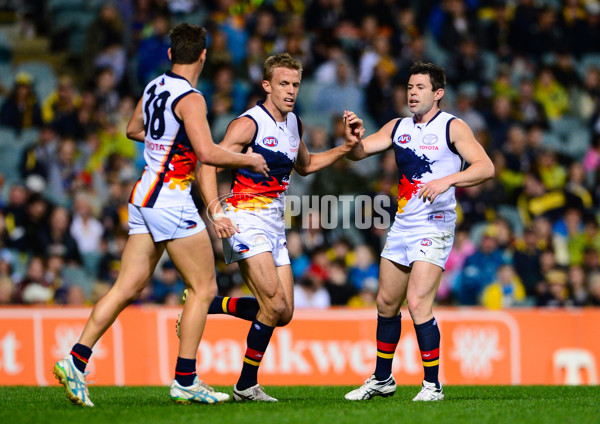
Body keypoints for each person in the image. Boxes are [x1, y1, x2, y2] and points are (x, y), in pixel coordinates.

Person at [52, 23, 268, 407]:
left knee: (127, 287)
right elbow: (208, 153)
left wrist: (164, 141)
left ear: (170, 55)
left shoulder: (154, 86)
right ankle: (186, 379)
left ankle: (75, 360)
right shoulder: (192, 98)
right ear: (203, 55)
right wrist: (247, 158)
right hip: (170, 200)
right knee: (204, 288)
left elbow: (134, 129)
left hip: (142, 196)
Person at [196, 53, 361, 402]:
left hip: (275, 222)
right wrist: (216, 212)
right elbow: (207, 163)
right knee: (270, 304)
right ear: (267, 85)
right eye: (283, 83)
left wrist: (346, 148)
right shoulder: (248, 124)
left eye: (296, 84)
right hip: (243, 217)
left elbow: (306, 164)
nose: (290, 91)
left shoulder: (294, 124)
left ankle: (212, 305)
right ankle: (245, 385)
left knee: (283, 313)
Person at [342, 61, 494, 401]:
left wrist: (448, 180)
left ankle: (432, 385)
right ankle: (382, 379)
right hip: (402, 224)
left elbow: (486, 167)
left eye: (420, 87)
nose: (412, 92)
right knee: (385, 303)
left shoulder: (452, 128)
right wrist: (353, 140)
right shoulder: (398, 127)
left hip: (435, 225)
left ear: (438, 93)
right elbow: (359, 154)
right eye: (410, 87)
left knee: (417, 303)